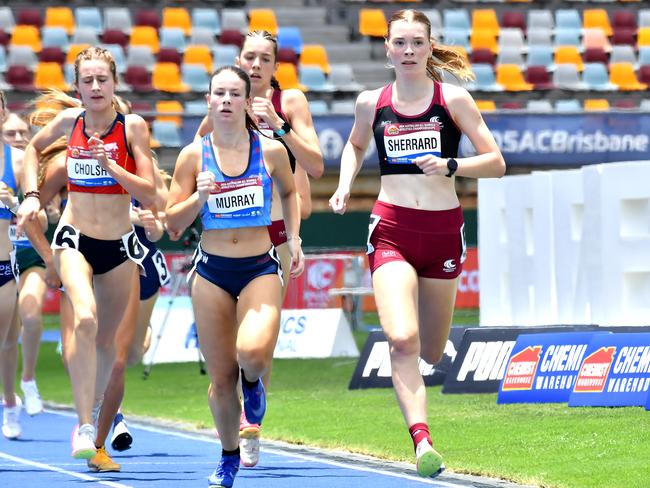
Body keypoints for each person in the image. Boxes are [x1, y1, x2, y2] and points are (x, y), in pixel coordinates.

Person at [329, 9, 505, 479]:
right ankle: (423, 441)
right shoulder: (372, 102)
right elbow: (354, 145)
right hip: (391, 229)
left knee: (430, 349)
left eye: (416, 43)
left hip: (444, 231)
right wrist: (345, 183)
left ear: (430, 48)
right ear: (386, 50)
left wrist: (452, 165)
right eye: (399, 43)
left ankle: (429, 364)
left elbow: (496, 162)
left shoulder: (454, 100)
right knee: (401, 339)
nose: (407, 51)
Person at [16, 47, 156, 461]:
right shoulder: (68, 122)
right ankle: (83, 425)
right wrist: (31, 196)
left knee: (110, 350)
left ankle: (96, 417)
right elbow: (30, 150)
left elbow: (148, 192)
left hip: (118, 246)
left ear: (115, 83)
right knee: (87, 317)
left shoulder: (132, 127)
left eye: (102, 80)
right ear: (77, 86)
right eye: (87, 81)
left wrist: (112, 166)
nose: (95, 87)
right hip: (74, 238)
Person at [166, 65, 303, 488]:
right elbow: (172, 223)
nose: (225, 100)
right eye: (218, 93)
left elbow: (291, 192)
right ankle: (228, 457)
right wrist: (199, 196)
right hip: (211, 270)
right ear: (208, 100)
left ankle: (255, 384)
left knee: (254, 354)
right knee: (220, 378)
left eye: (233, 93)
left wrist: (292, 237)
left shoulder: (271, 150)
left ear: (247, 101)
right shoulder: (194, 155)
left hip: (260, 265)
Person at [194, 30, 323, 467]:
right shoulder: (224, 104)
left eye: (264, 58)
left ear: (274, 66)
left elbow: (316, 166)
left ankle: (252, 425)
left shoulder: (291, 103)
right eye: (248, 56)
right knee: (226, 353)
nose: (255, 65)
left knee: (257, 344)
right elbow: (197, 156)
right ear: (238, 60)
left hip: (278, 233)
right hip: (224, 236)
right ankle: (233, 422)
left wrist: (279, 127)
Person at [1, 110, 51, 418]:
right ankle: (9, 401)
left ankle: (28, 379)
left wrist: (15, 204)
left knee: (29, 318)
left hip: (25, 253)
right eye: (13, 133)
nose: (19, 139)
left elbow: (42, 220)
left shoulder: (22, 165)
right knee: (6, 339)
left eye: (24, 133)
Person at [0, 90, 23, 439]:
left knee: (5, 343)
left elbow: (42, 218)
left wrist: (16, 203)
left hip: (4, 266)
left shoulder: (17, 161)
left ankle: (9, 402)